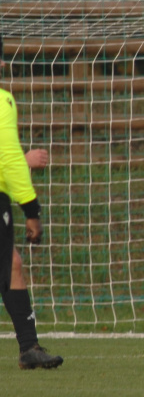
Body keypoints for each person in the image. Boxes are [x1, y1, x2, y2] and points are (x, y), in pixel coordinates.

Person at [0, 35, 62, 370]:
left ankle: (28, 348)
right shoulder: (2, 101)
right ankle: (28, 347)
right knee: (10, 265)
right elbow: (7, 160)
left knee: (12, 265)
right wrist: (32, 212)